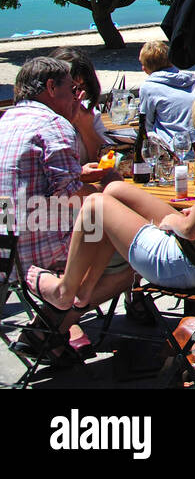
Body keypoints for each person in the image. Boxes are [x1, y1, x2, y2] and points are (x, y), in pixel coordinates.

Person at [25, 75, 195, 331]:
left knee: (94, 205)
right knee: (114, 190)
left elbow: (191, 230)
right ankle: (86, 289)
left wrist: (175, 221)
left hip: (193, 266)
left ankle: (66, 289)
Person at [0, 57, 134, 361]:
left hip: (5, 247)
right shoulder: (52, 124)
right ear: (51, 87)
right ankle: (52, 324)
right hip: (36, 253)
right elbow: (74, 198)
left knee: (102, 229)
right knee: (131, 259)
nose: (77, 96)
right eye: (73, 89)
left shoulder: (6, 120)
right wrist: (111, 187)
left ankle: (47, 333)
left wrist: (79, 176)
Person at [48, 47, 112, 166]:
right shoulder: (44, 119)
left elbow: (106, 161)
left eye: (82, 87)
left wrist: (86, 127)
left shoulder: (88, 112)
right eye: (72, 87)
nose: (78, 94)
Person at [137, 41, 195, 150]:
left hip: (171, 149)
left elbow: (146, 125)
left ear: (145, 68)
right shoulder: (193, 82)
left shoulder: (149, 87)